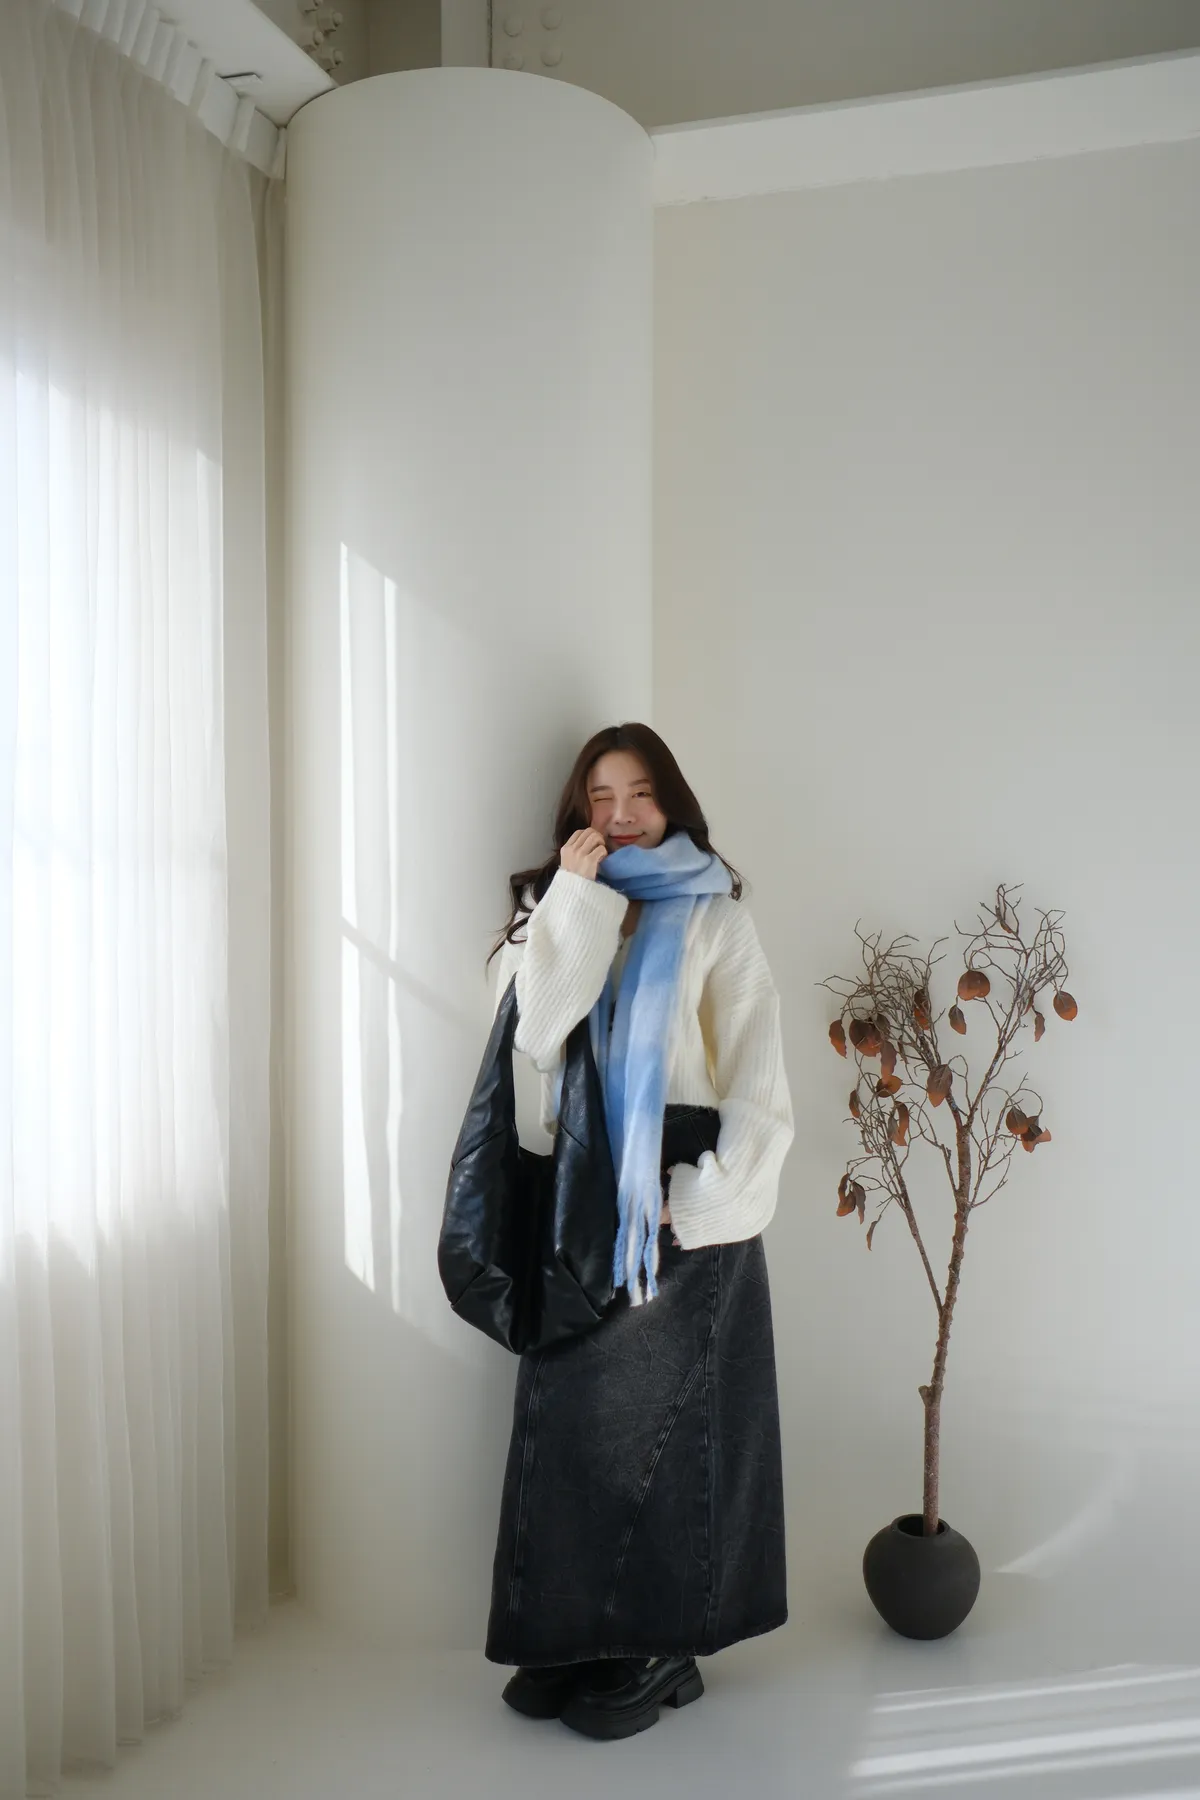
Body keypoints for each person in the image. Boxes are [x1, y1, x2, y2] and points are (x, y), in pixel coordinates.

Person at [483, 722, 793, 1742]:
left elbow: (758, 1079)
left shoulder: (717, 919)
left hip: (678, 1182)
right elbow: (538, 1035)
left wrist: (701, 1199)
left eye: (641, 793)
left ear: (673, 803)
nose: (621, 815)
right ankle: (573, 1634)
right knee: (570, 1423)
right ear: (579, 810)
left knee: (672, 1429)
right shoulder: (551, 910)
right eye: (601, 796)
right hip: (582, 1180)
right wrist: (576, 902)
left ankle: (664, 1646)